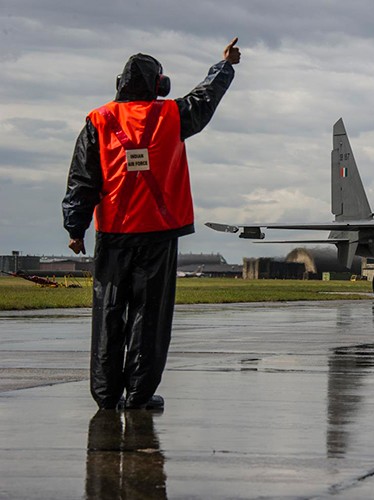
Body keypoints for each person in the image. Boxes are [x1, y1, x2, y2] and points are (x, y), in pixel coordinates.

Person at [62, 38, 241, 410]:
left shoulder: (98, 121)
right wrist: (225, 65)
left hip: (113, 233)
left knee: (109, 312)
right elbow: (205, 98)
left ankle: (106, 393)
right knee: (151, 315)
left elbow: (83, 179)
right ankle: (139, 394)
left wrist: (75, 228)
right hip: (159, 234)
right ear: (160, 85)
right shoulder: (173, 116)